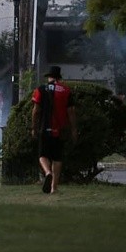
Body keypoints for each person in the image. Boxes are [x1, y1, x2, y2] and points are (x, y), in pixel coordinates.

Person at [31, 66, 77, 194]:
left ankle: (47, 172)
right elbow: (71, 111)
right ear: (59, 77)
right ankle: (54, 188)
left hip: (44, 128)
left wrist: (34, 128)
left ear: (49, 77)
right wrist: (73, 129)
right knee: (57, 158)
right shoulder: (66, 91)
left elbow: (35, 111)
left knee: (42, 155)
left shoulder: (40, 89)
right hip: (60, 130)